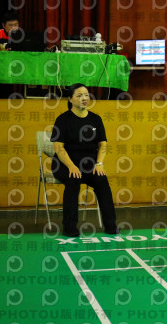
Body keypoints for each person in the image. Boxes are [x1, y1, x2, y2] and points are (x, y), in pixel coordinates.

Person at [51, 83, 118, 237]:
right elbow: (58, 148)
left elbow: (102, 144)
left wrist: (99, 163)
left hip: (89, 165)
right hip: (65, 164)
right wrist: (71, 166)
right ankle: (69, 227)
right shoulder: (63, 120)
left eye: (86, 95)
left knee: (101, 180)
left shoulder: (96, 119)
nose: (84, 98)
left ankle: (111, 225)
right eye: (79, 95)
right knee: (73, 179)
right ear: (70, 99)